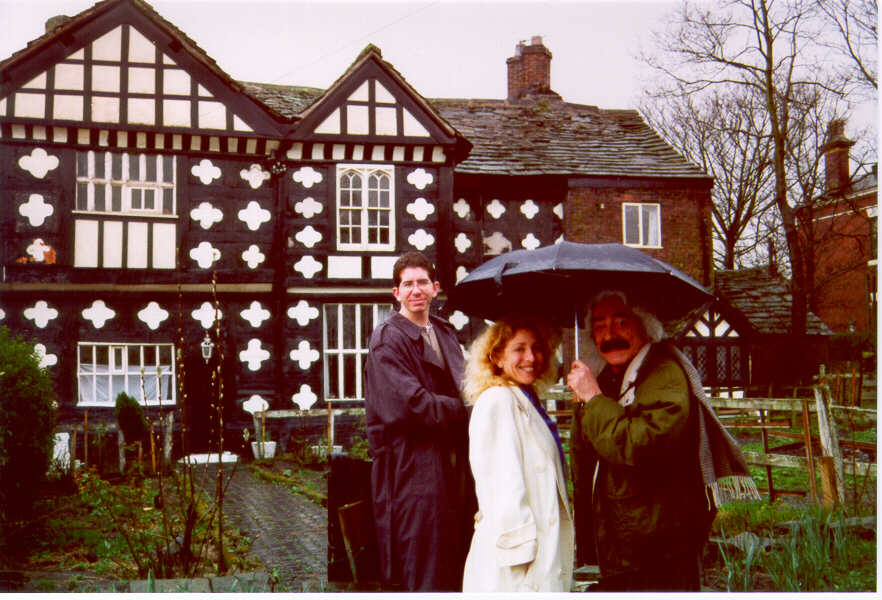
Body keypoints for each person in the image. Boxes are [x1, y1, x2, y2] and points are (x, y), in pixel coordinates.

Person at [566, 290, 757, 592]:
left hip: (658, 548)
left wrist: (593, 398)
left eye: (621, 322)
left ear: (645, 325)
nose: (609, 335)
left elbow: (639, 446)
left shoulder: (664, 374)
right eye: (600, 326)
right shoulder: (611, 377)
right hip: (626, 542)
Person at [363, 251, 476, 591]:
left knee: (460, 555)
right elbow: (411, 407)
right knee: (424, 563)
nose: (416, 290)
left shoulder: (443, 332)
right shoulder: (386, 340)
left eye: (422, 282)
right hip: (411, 469)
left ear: (435, 288)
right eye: (407, 284)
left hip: (454, 463)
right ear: (395, 292)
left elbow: (467, 384)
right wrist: (470, 411)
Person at [461, 315, 574, 593]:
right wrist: (523, 565)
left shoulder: (525, 399)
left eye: (537, 348)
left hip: (538, 556)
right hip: (517, 569)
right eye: (519, 349)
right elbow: (501, 489)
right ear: (497, 357)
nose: (531, 357)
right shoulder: (497, 401)